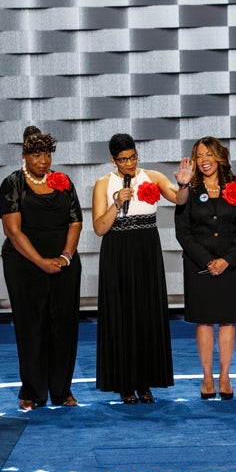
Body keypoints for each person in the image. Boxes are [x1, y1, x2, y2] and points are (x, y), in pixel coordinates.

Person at [92, 133, 193, 404]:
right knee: (121, 315)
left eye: (133, 157)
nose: (129, 163)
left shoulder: (153, 176)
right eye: (123, 159)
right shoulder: (103, 184)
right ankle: (125, 383)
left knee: (146, 313)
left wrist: (183, 184)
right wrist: (116, 203)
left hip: (146, 248)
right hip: (117, 251)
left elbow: (179, 199)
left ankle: (146, 382)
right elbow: (100, 228)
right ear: (113, 160)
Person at [0, 126, 83, 410]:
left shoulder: (63, 181)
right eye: (36, 154)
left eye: (46, 154)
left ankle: (62, 390)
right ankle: (32, 391)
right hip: (25, 264)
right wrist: (41, 262)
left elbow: (75, 221)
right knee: (31, 326)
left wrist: (66, 256)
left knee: (64, 325)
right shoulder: (13, 183)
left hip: (64, 264)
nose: (43, 160)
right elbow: (13, 231)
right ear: (24, 155)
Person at [175, 137, 236, 400]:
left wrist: (227, 260)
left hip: (230, 265)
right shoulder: (189, 188)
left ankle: (225, 376)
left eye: (209, 154)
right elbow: (183, 232)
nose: (204, 160)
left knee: (228, 320)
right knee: (204, 320)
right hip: (200, 265)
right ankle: (207, 376)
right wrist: (207, 261)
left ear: (220, 156)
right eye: (199, 156)